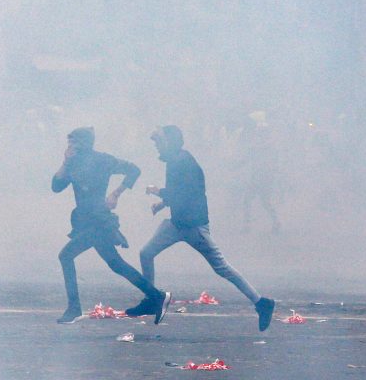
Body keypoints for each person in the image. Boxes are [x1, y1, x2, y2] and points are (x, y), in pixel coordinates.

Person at [129, 125, 275, 331]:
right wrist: (163, 203)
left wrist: (158, 192)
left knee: (222, 267)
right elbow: (181, 193)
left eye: (159, 142)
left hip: (193, 227)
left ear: (170, 142)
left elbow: (182, 194)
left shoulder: (182, 163)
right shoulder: (175, 161)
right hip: (177, 223)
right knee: (146, 253)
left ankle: (261, 303)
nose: (157, 147)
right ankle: (152, 298)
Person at [52, 126, 171, 324]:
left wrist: (116, 193)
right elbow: (56, 186)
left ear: (83, 143)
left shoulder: (101, 160)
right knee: (116, 264)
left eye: (73, 142)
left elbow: (134, 170)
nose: (70, 146)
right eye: (69, 142)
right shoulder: (74, 163)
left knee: (66, 256)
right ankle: (157, 296)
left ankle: (74, 308)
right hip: (87, 221)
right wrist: (65, 161)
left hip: (97, 221)